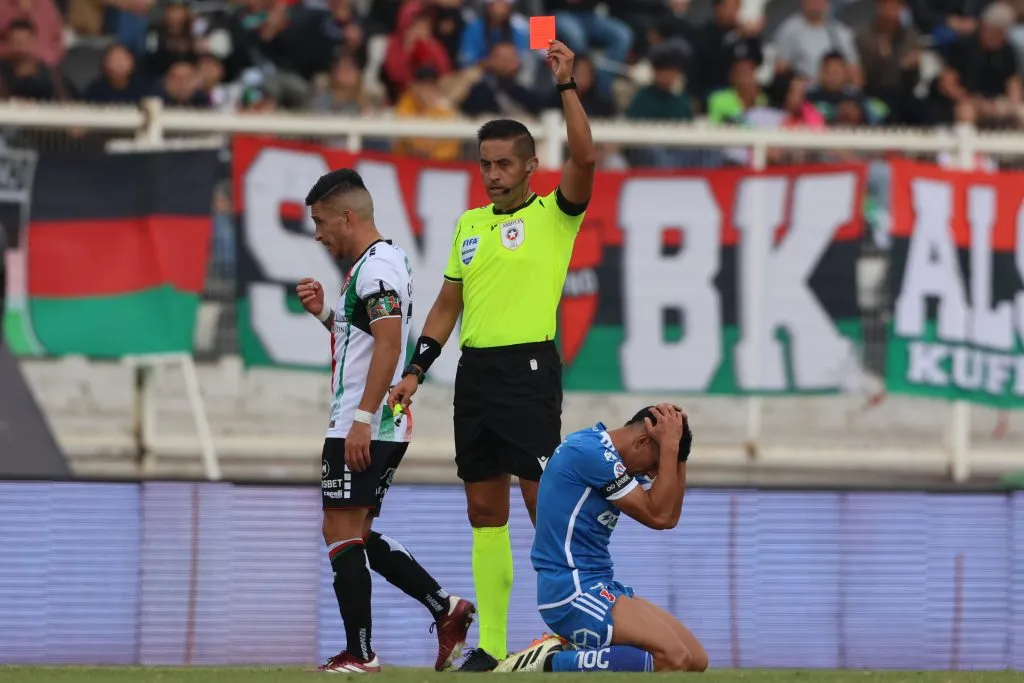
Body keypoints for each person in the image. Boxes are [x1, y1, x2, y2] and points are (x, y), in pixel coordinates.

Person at [388, 38, 597, 672]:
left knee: (545, 507)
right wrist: (415, 370)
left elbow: (586, 155)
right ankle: (495, 647)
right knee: (484, 510)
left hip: (528, 369)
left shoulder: (555, 217)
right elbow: (448, 304)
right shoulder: (469, 225)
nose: (494, 175)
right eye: (486, 164)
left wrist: (565, 85)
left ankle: (572, 630)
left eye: (505, 164)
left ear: (531, 167)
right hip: (475, 374)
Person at [296, 168, 475, 673]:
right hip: (375, 420)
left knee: (340, 532)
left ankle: (361, 653)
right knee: (355, 534)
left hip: (365, 422)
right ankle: (445, 607)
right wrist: (327, 317)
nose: (318, 233)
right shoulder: (379, 264)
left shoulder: (376, 270)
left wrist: (361, 419)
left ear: (348, 217)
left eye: (321, 221)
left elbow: (392, 345)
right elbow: (370, 340)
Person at [496, 404, 708, 673]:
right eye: (656, 465)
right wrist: (669, 448)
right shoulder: (590, 453)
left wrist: (677, 451)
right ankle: (548, 662)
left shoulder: (615, 458)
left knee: (696, 660)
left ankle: (574, 653)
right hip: (570, 589)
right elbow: (658, 516)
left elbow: (668, 516)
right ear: (643, 440)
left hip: (600, 583)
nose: (655, 474)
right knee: (674, 658)